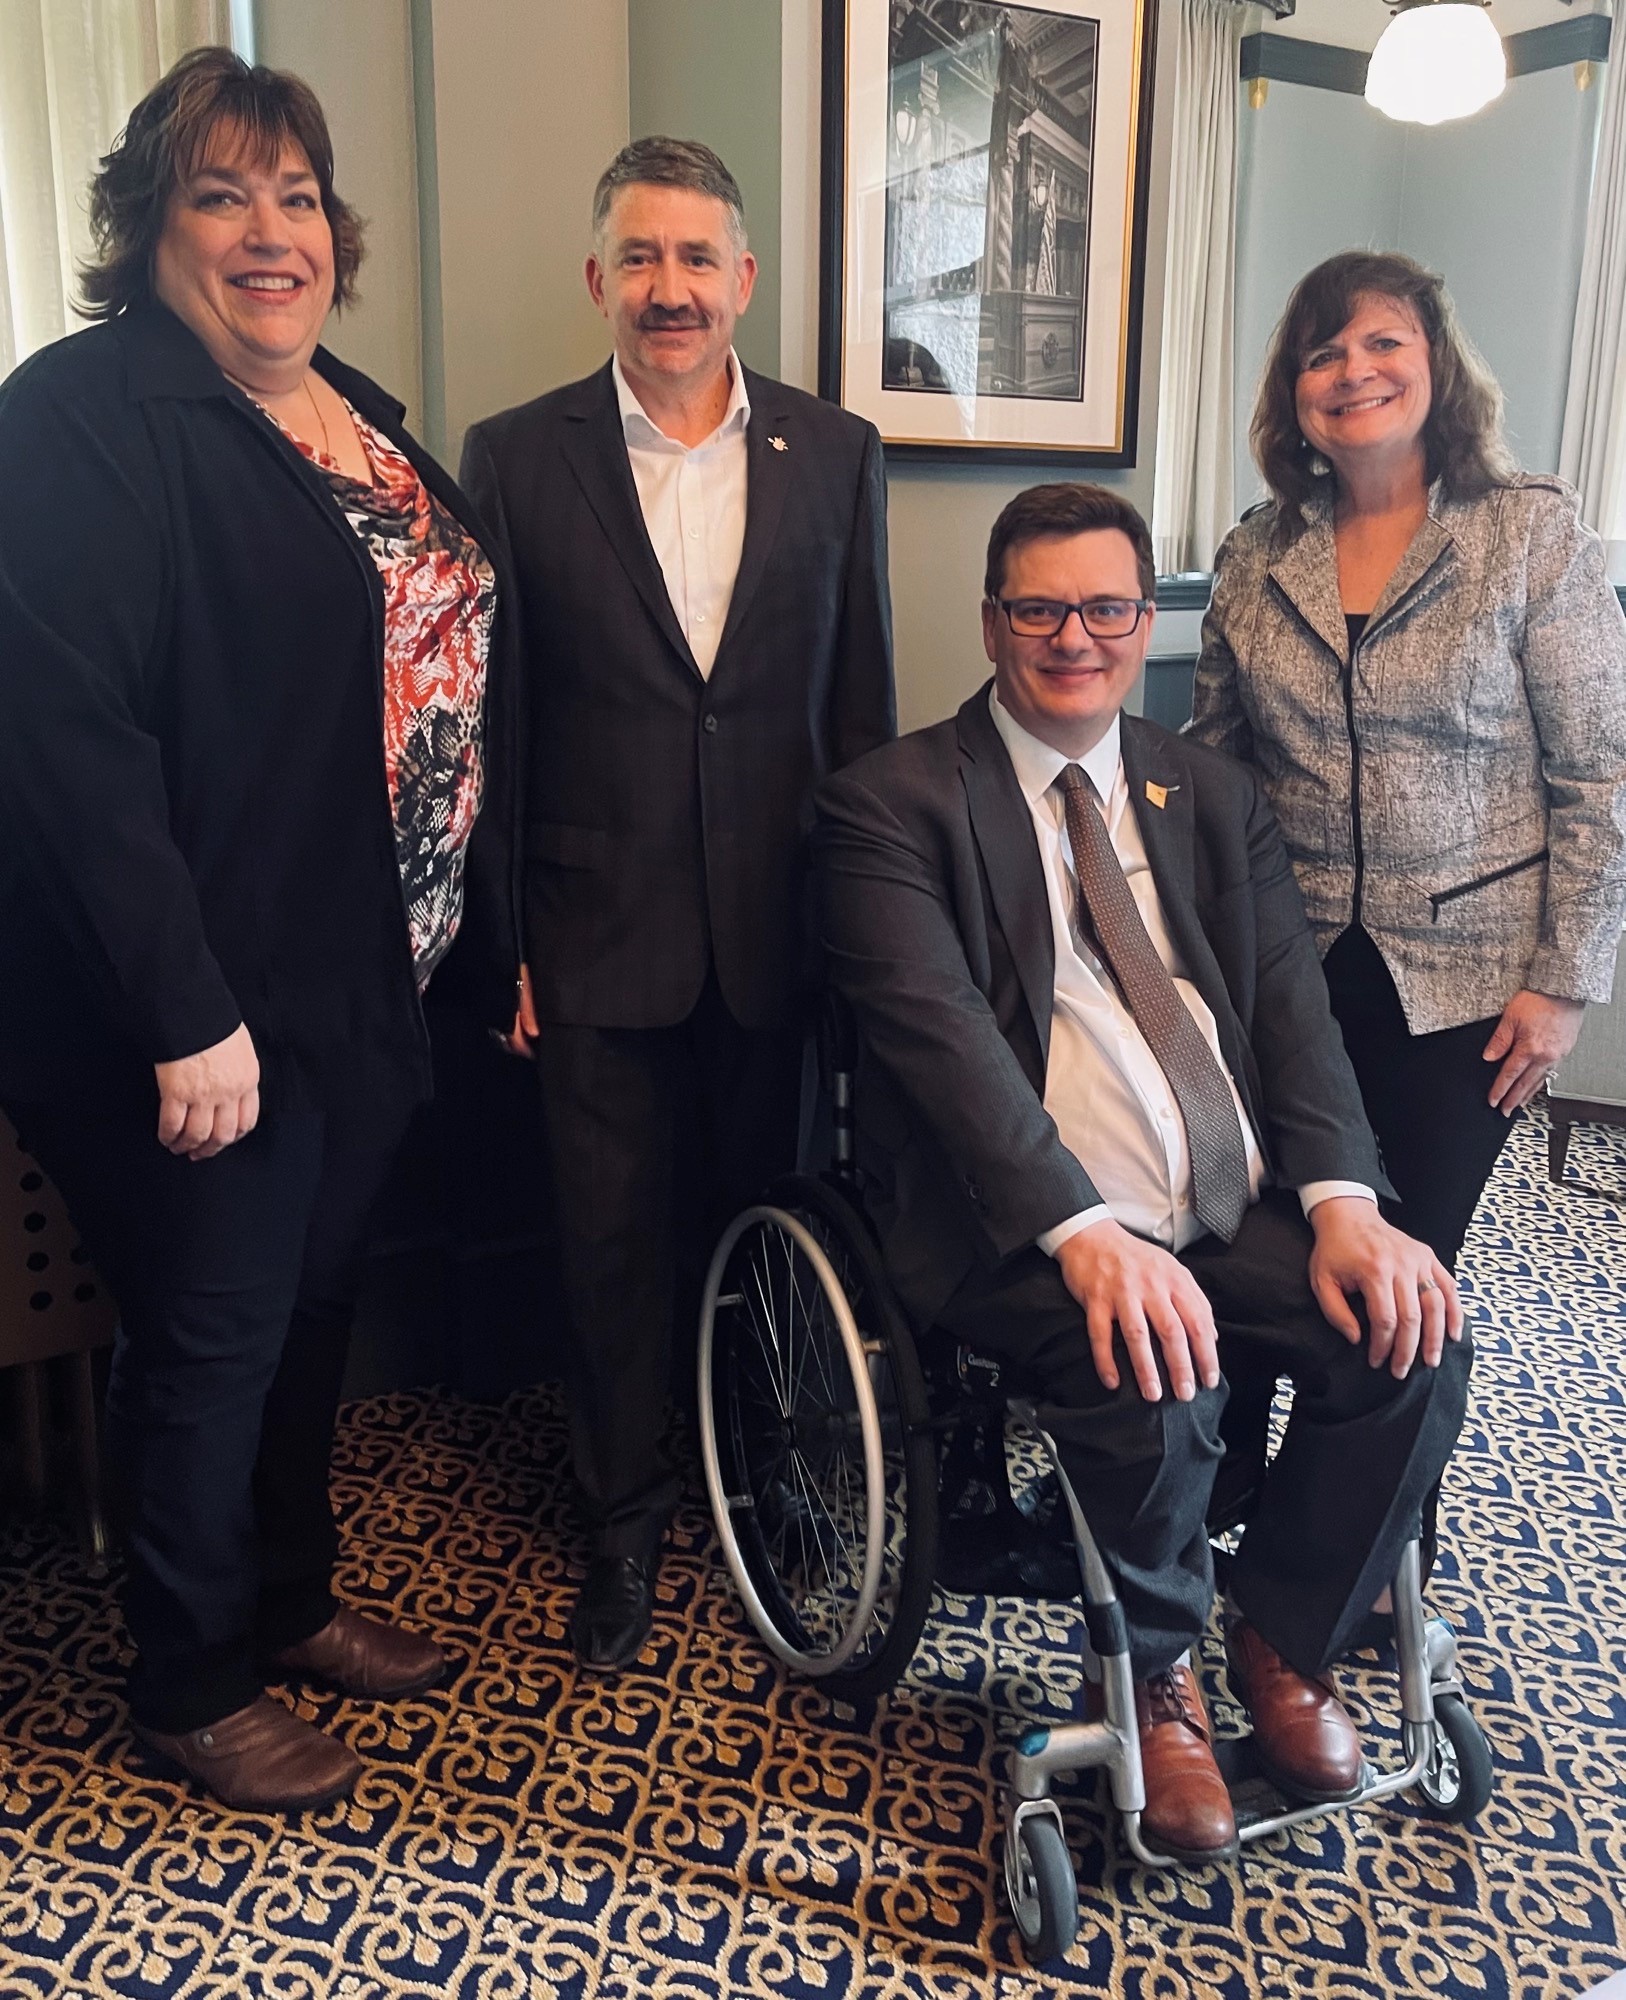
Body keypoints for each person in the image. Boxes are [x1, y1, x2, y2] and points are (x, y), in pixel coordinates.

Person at [0, 50, 518, 1810]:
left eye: (295, 195)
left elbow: (434, 673)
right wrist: (179, 1009)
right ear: (151, 224)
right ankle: (189, 1674)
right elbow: (68, 743)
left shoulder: (344, 402)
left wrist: (481, 925)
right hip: (195, 996)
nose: (269, 230)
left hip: (370, 971)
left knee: (309, 1309)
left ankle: (288, 1597)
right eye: (222, 194)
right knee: (215, 1329)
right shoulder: (76, 416)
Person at [815, 483, 1469, 1863]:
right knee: (1156, 1369)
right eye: (1040, 608)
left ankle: (1284, 1640)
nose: (1075, 637)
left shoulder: (1207, 792)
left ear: (1141, 620)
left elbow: (1290, 1015)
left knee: (1411, 1337)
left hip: (1221, 1200)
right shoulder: (890, 806)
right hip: (1019, 1218)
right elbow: (944, 1053)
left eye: (1106, 607)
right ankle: (1157, 1682)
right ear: (991, 622)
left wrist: (1346, 1208)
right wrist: (1080, 1229)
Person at [459, 137, 894, 1672]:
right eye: (640, 258)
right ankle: (625, 1525)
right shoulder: (513, 456)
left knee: (763, 1226)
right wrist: (502, 941)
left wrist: (865, 934)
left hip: (777, 932)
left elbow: (858, 721)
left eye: (697, 258)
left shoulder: (837, 455)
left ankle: (764, 1490)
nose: (670, 287)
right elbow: (494, 722)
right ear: (597, 280)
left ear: (744, 280)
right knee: (607, 1248)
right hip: (590, 931)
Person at [1191, 250, 1626, 1271]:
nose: (1354, 371)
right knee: (1260, 1239)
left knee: (1406, 1271)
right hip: (1286, 973)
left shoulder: (1531, 532)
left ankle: (1369, 1434)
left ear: (1439, 366)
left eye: (1384, 342)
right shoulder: (1257, 551)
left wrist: (1563, 986)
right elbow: (1218, 765)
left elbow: (1600, 776)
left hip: (1469, 990)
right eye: (1322, 353)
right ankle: (1234, 1435)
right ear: (1292, 394)